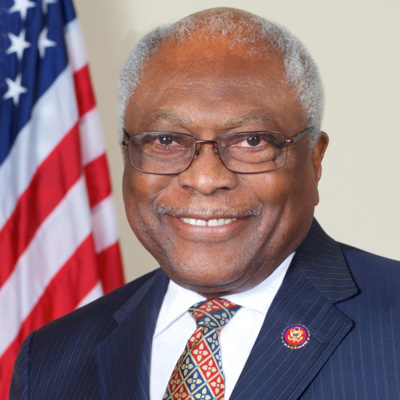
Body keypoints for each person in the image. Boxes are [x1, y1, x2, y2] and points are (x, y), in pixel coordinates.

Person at [10, 7, 400, 400]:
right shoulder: (49, 360)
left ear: (314, 160)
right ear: (127, 155)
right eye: (165, 141)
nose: (206, 179)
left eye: (252, 141)